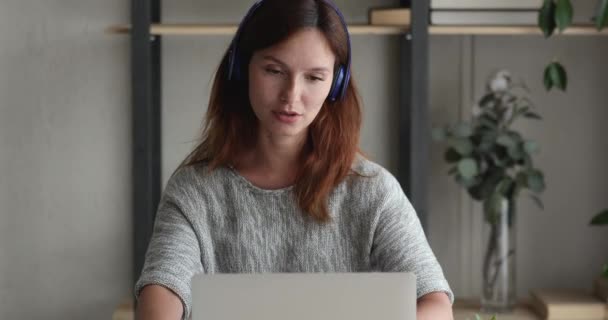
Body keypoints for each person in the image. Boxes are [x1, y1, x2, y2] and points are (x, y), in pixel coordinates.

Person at [134, 0, 454, 319]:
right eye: (274, 70)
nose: (291, 96)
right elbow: (163, 287)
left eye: (314, 78)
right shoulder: (195, 191)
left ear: (336, 84)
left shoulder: (374, 192)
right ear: (241, 68)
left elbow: (435, 303)